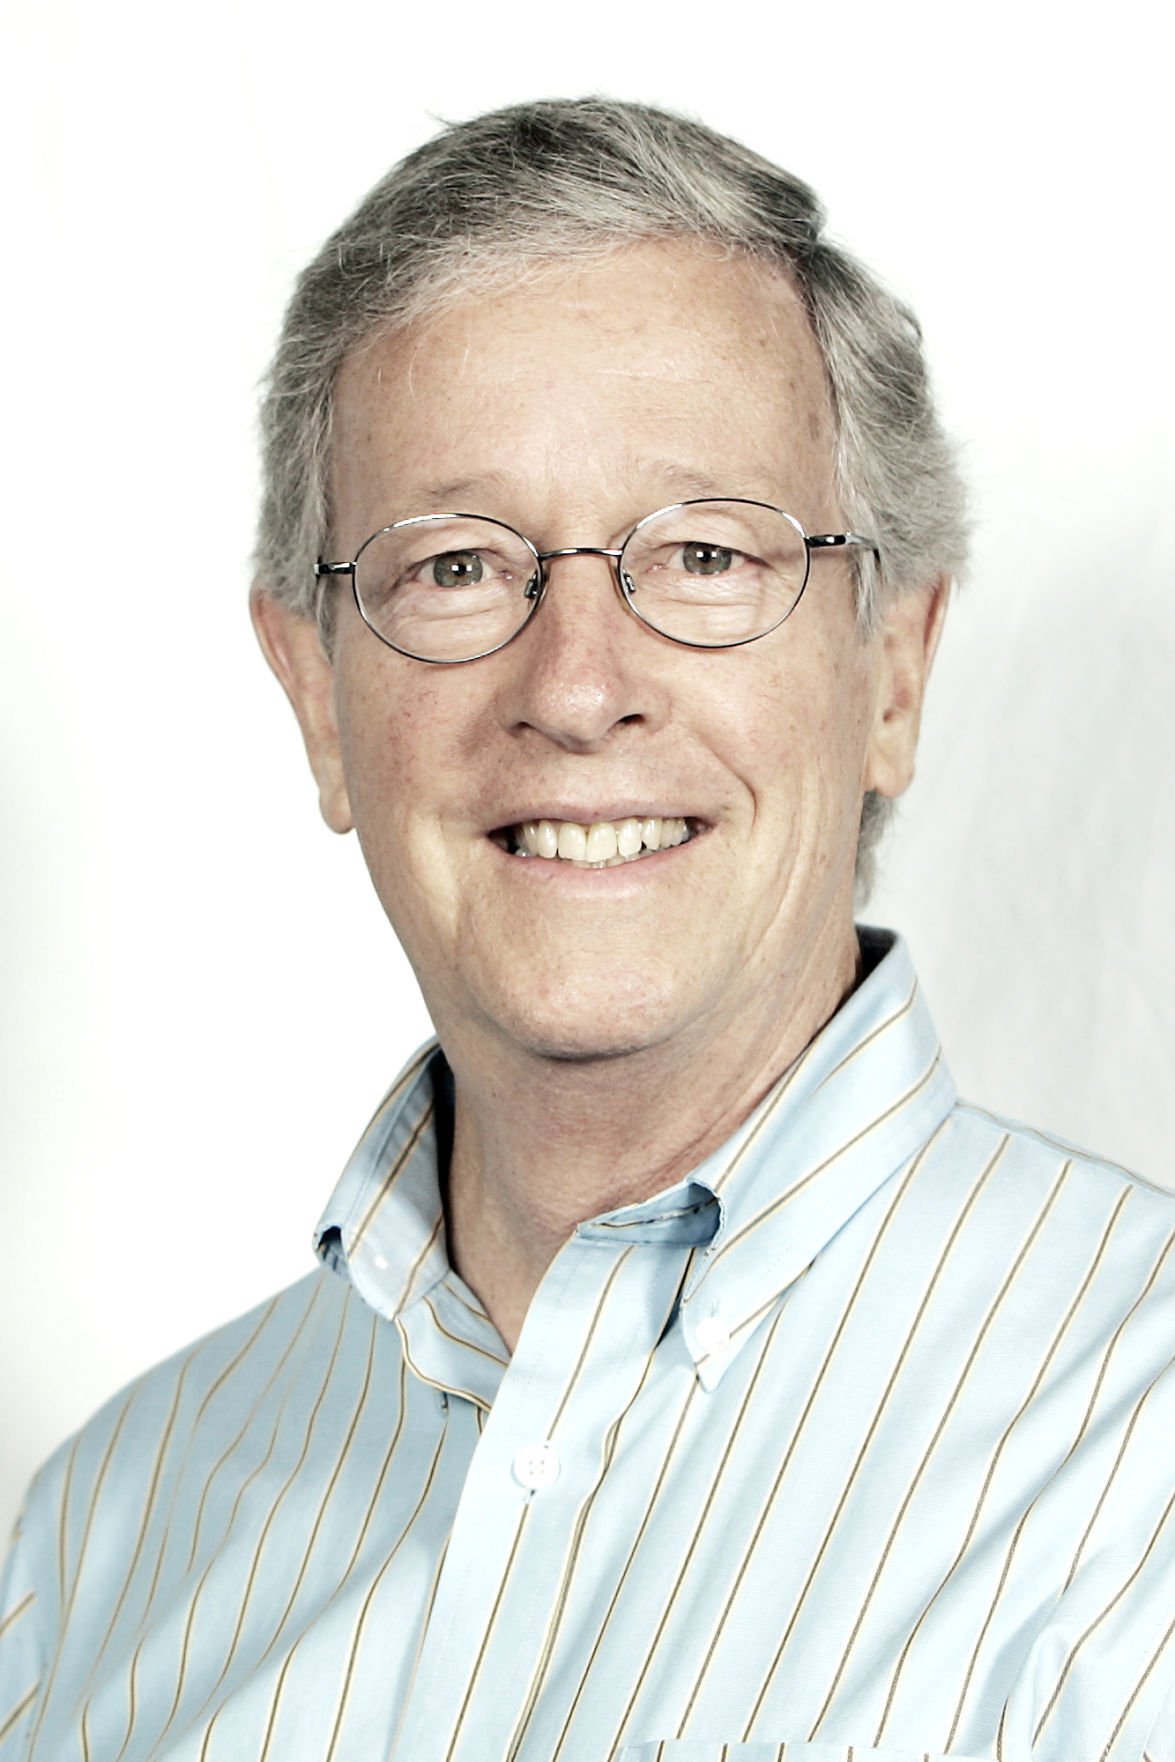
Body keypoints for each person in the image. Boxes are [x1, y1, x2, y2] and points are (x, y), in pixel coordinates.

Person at [1, 97, 1171, 1762]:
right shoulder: (103, 1541)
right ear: (319, 696)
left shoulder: (1144, 1461)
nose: (575, 685)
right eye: (457, 568)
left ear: (894, 672)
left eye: (702, 553)